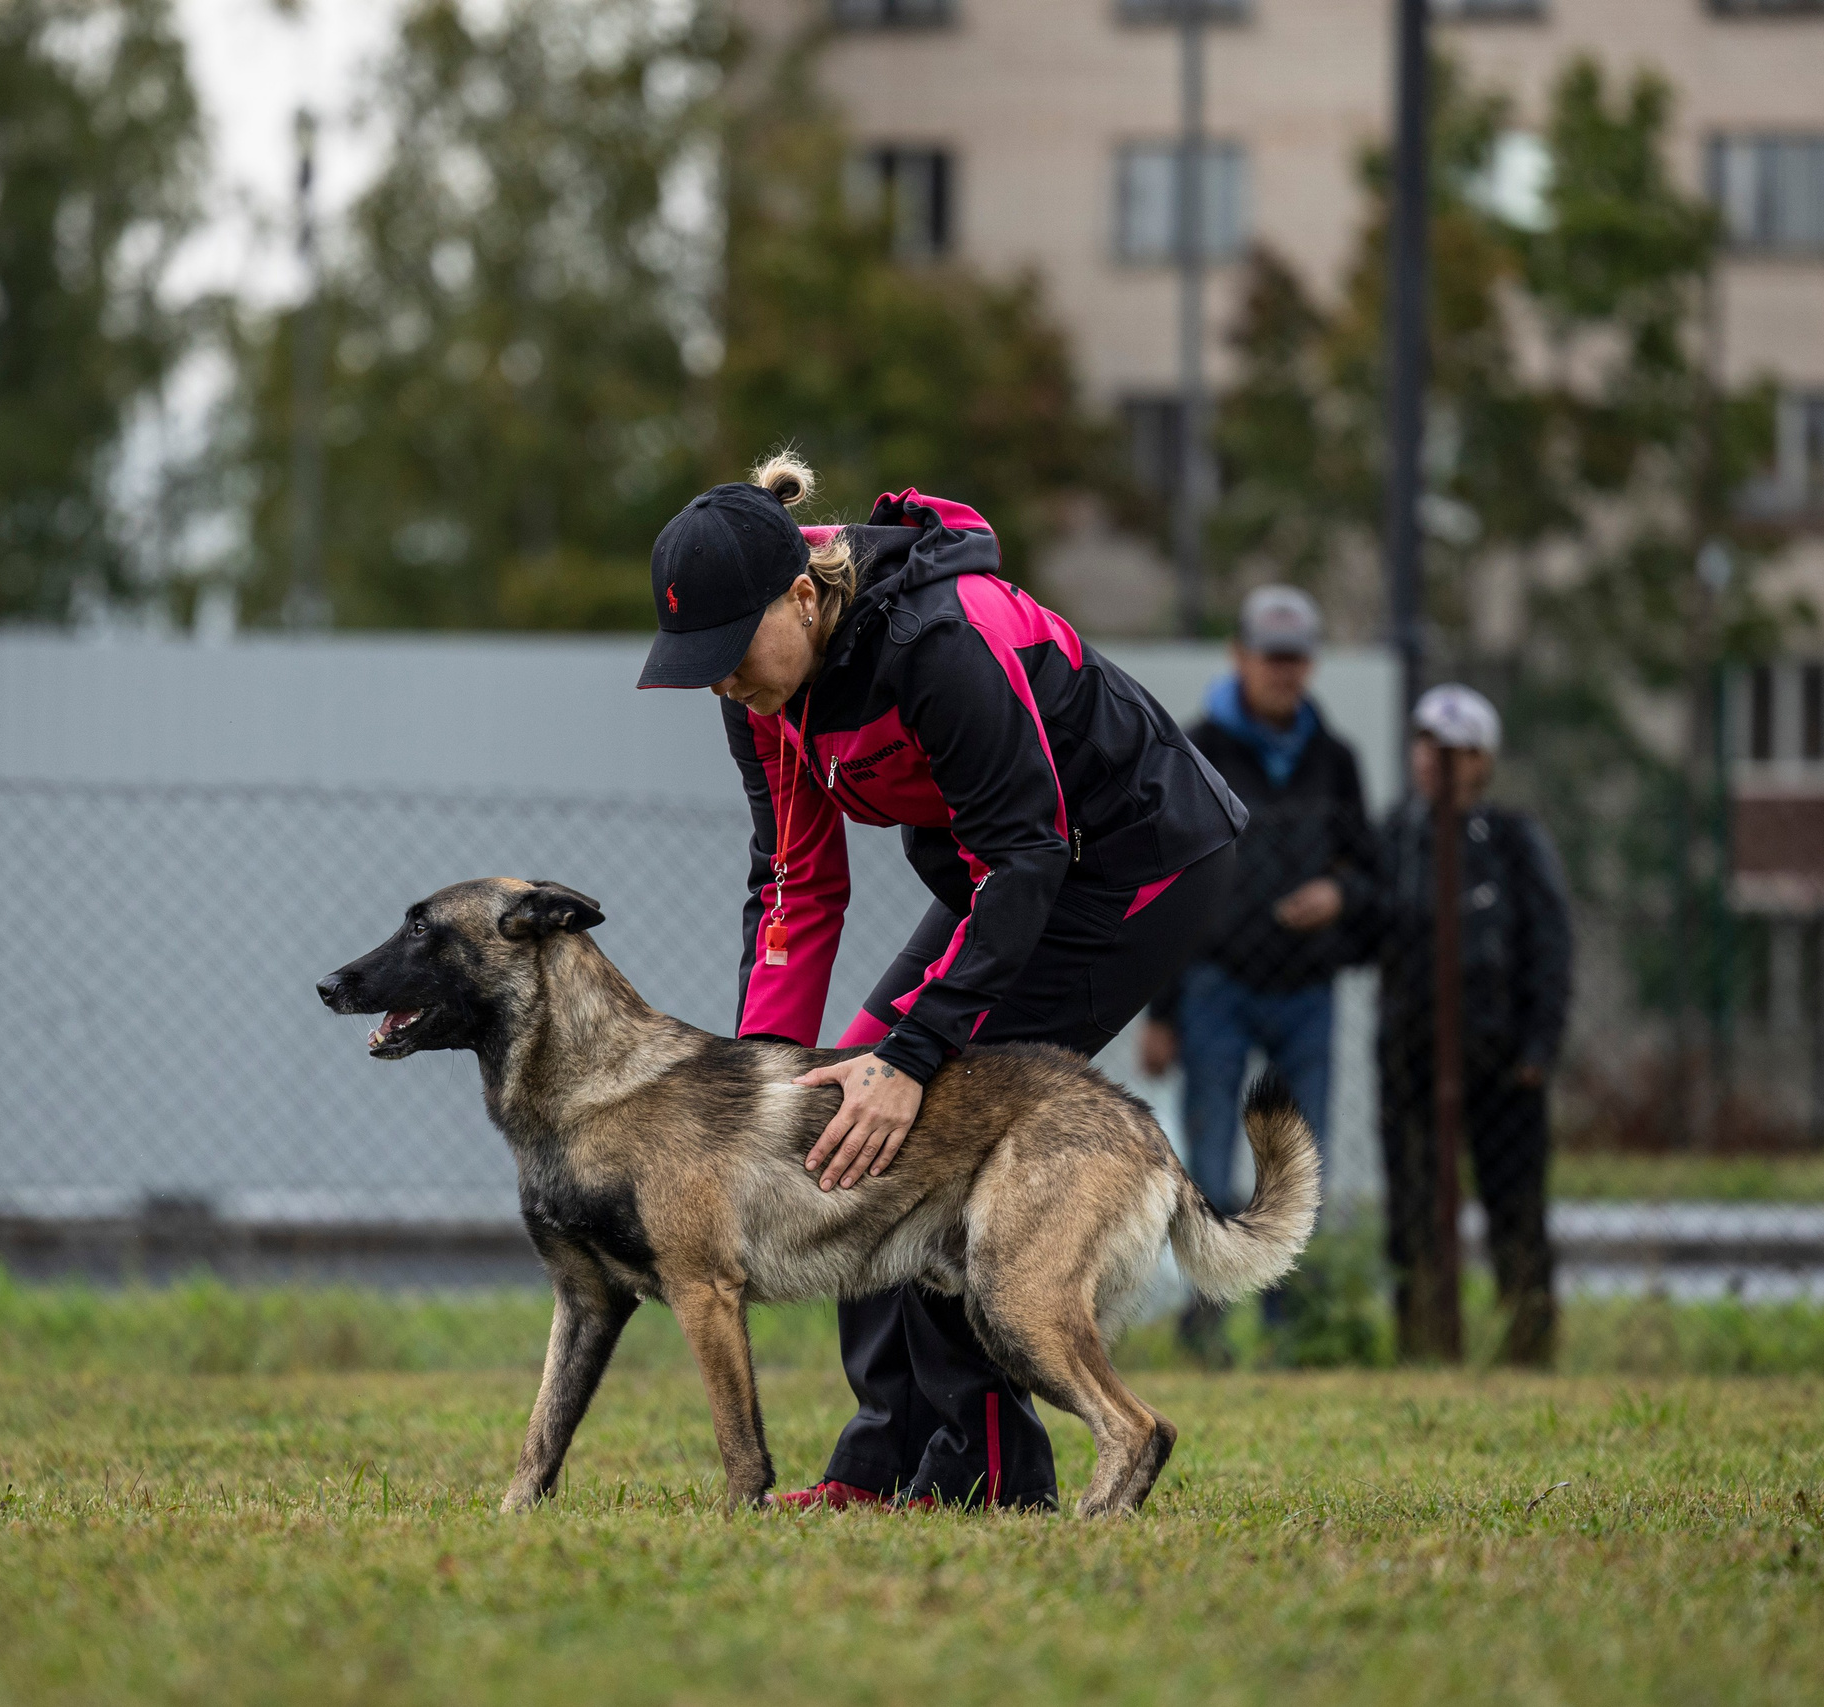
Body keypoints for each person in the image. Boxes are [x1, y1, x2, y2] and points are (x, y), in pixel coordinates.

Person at [636, 453, 1249, 1511]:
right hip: (1005, 880)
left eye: (731, 649)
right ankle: (878, 1462)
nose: (723, 679)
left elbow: (1030, 855)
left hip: (1135, 864)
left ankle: (988, 1475)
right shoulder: (761, 694)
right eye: (699, 661)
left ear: (800, 594)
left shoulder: (941, 639)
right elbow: (794, 885)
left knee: (919, 1127)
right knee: (838, 1123)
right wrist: (761, 1086)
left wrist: (917, 1055)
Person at [1139, 587, 1375, 1354]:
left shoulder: (1334, 760)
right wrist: (1164, 1012)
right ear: (1239, 656)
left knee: (1298, 1159)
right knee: (1207, 1161)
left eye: (1295, 656)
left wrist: (1338, 893)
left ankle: (1292, 1323)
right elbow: (1170, 878)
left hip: (1307, 990)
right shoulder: (1200, 746)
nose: (1282, 670)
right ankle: (1207, 1323)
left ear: (1309, 665)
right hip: (1217, 986)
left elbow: (1365, 866)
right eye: (1270, 655)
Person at [1375, 685, 1572, 1367]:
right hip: (1413, 1060)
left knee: (1516, 1206)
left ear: (1482, 761)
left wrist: (1539, 1044)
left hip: (1502, 1061)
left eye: (1454, 750)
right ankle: (1423, 1342)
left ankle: (1529, 1341)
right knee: (1414, 1210)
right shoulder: (1397, 836)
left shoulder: (1514, 841)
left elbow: (1550, 943)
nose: (1436, 761)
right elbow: (1369, 921)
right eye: (1426, 745)